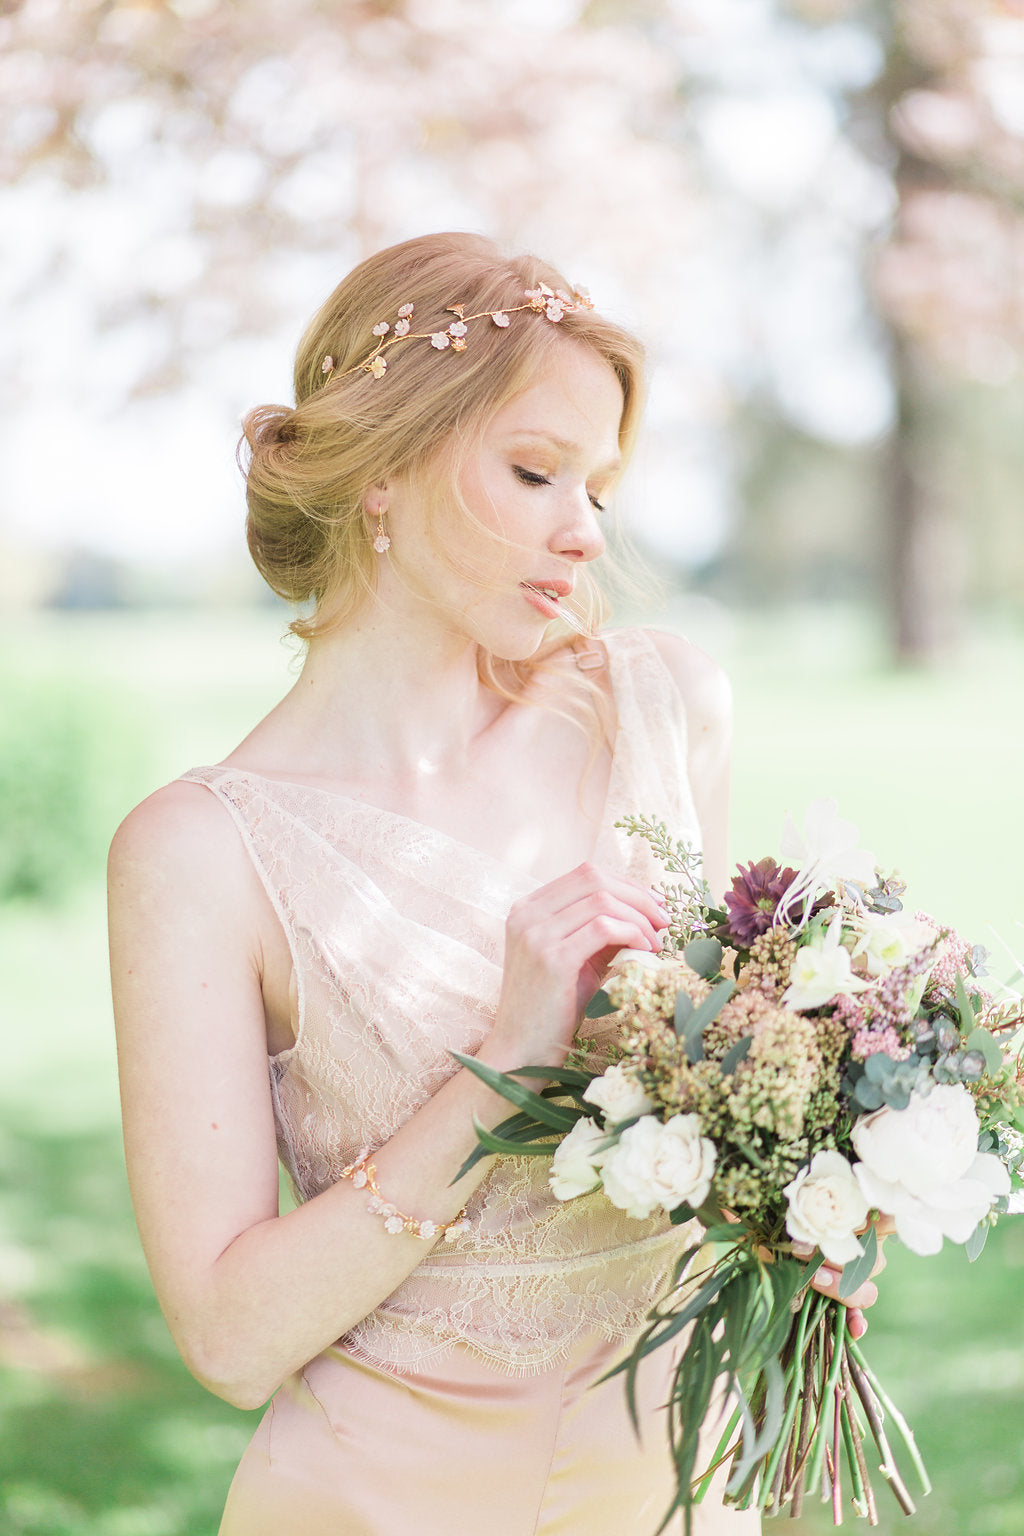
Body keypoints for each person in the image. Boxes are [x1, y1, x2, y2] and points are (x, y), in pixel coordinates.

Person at [108, 232, 879, 1535]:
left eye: (600, 489)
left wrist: (804, 1189)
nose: (584, 533)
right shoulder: (198, 853)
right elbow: (231, 1343)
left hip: (680, 1481)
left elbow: (712, 1095)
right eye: (535, 473)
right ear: (387, 471)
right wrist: (504, 1067)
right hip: (383, 1500)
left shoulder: (663, 708)